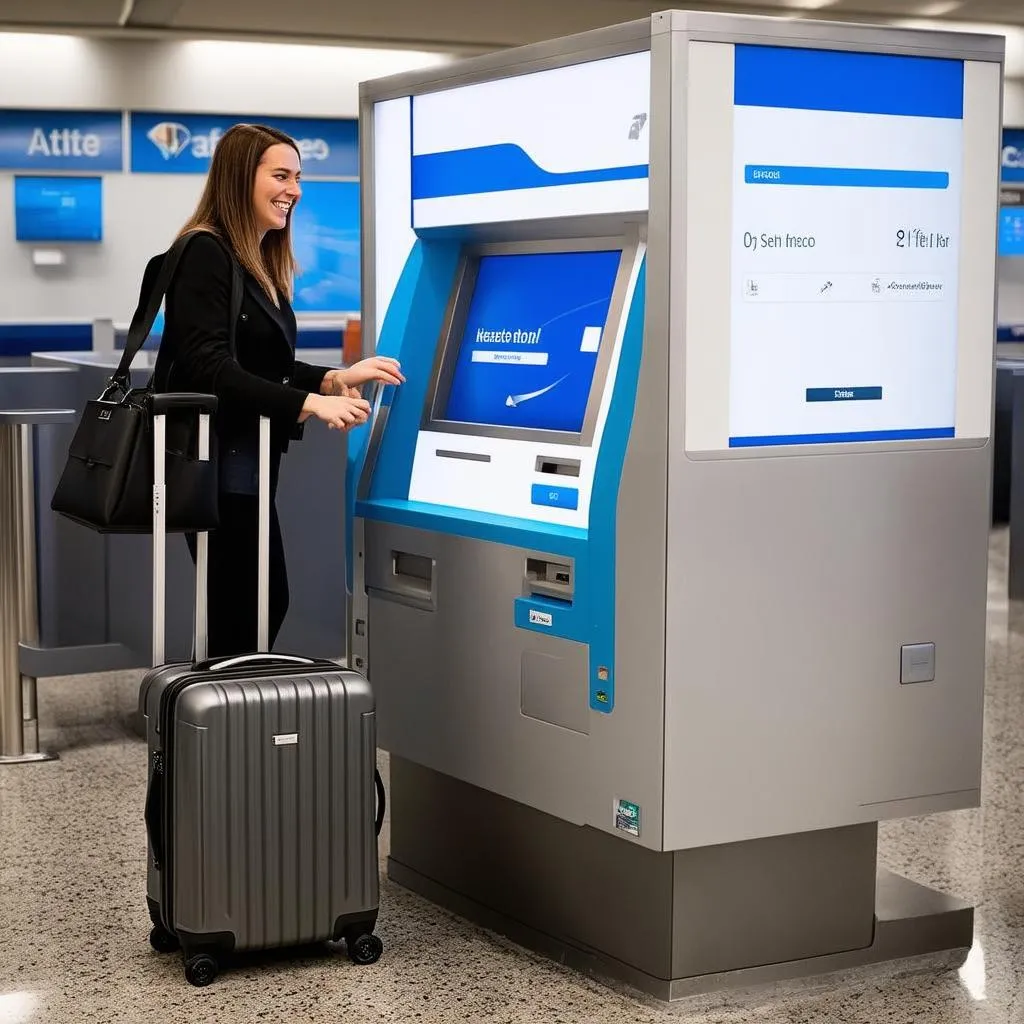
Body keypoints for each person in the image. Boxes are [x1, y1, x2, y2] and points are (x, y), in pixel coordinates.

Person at [152, 123, 404, 657]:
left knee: (254, 605)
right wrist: (310, 402)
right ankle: (218, 727)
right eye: (281, 175)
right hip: (213, 464)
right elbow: (206, 366)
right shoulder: (206, 252)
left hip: (246, 463)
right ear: (242, 178)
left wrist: (333, 377)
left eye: (298, 176)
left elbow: (263, 364)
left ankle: (223, 726)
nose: (295, 189)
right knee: (247, 607)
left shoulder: (253, 259)